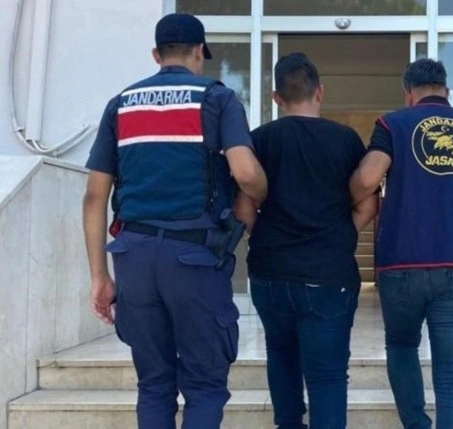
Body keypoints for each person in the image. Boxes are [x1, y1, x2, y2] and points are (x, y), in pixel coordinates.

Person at [82, 13, 267, 429]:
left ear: (156, 54)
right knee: (204, 385)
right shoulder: (217, 98)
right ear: (199, 52)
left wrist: (99, 276)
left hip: (133, 258)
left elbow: (95, 196)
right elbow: (246, 172)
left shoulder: (121, 104)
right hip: (194, 258)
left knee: (154, 385)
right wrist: (261, 192)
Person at [349, 58, 453, 429]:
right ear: (447, 91)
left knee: (402, 346)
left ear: (408, 93)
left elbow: (369, 178)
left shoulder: (393, 124)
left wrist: (348, 197)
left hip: (401, 264)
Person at [235, 52, 379, 429]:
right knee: (327, 374)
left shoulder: (259, 140)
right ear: (320, 92)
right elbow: (369, 203)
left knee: (281, 358)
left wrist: (264, 236)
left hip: (270, 273)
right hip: (328, 275)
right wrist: (342, 234)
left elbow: (244, 207)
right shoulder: (346, 140)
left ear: (275, 98)